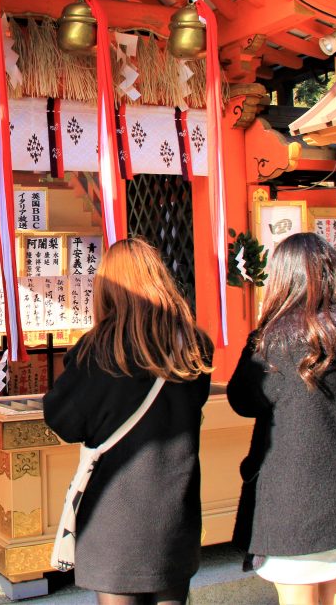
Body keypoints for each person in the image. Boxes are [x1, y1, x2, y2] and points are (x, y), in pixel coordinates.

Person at [43, 237, 213, 605]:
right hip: (175, 513)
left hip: (112, 517)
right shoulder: (194, 345)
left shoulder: (96, 351)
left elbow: (62, 420)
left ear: (108, 287)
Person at [228, 232, 336, 605]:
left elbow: (242, 400)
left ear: (283, 280)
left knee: (298, 595)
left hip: (294, 495)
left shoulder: (270, 342)